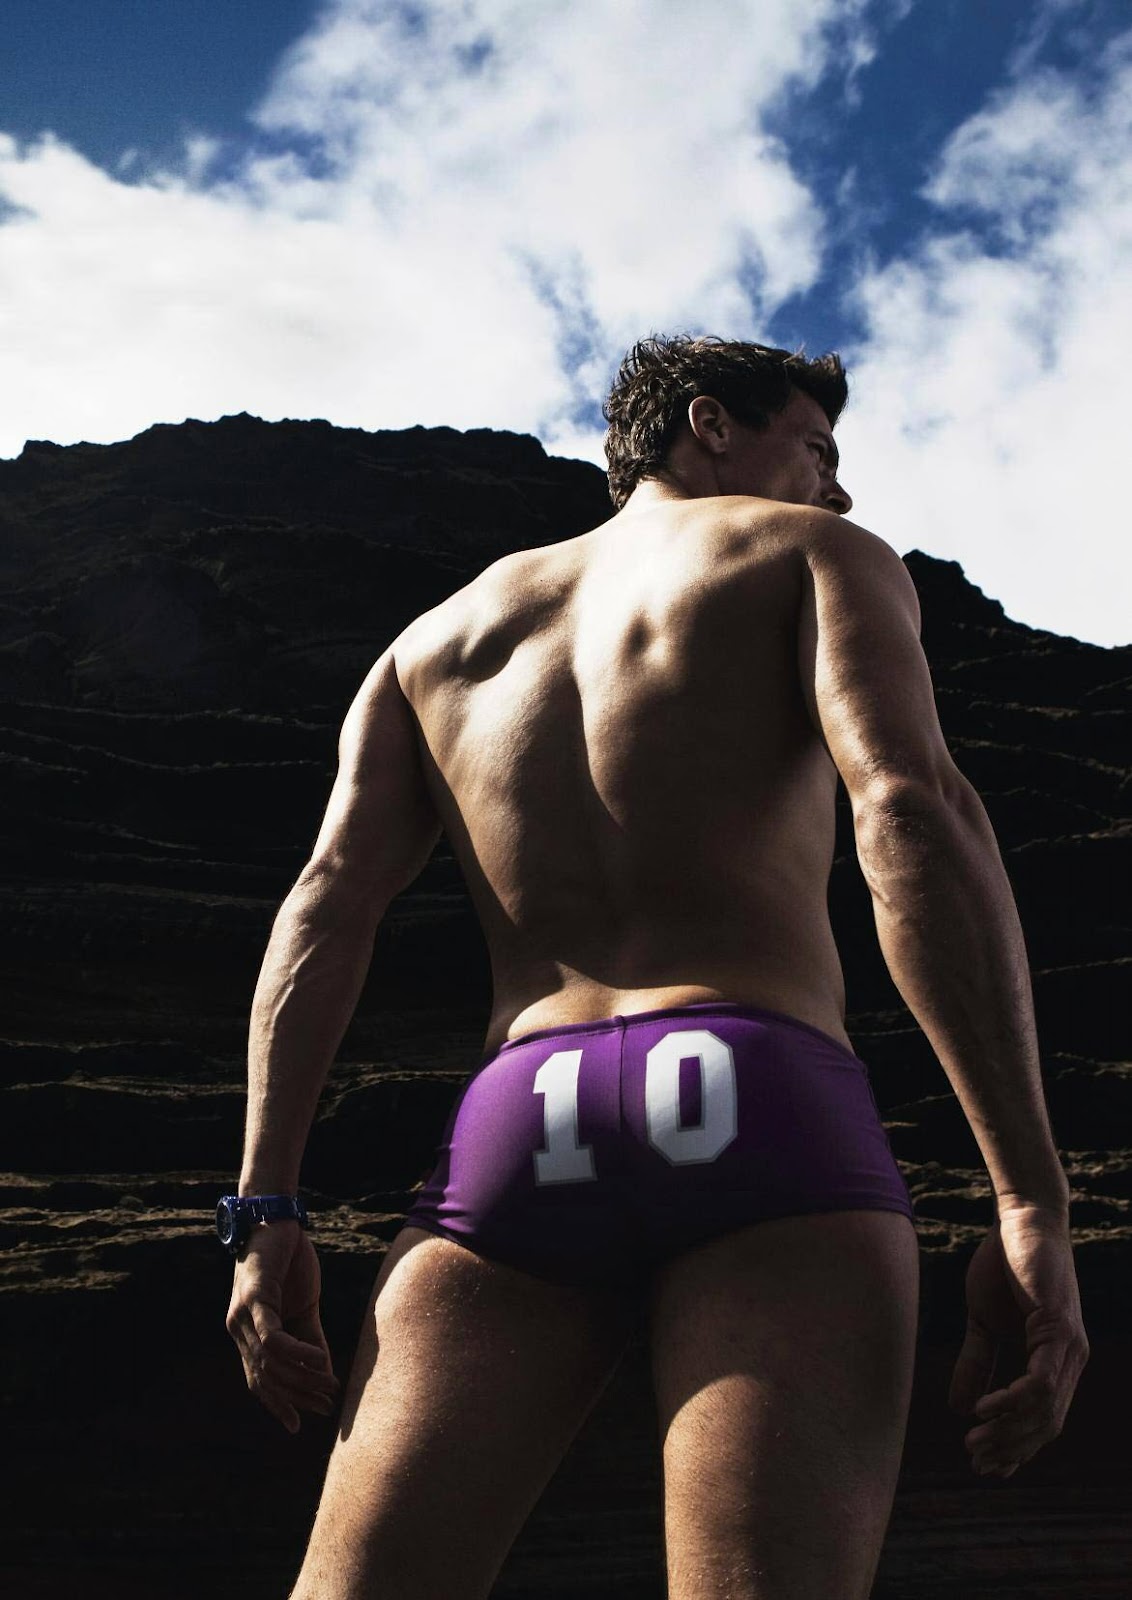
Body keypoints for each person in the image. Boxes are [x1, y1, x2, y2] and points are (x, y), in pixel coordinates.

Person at [225, 335, 1088, 1600]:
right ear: (709, 422)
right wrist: (1027, 1201)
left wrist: (263, 1210)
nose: (838, 486)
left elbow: (323, 908)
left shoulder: (432, 646)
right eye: (817, 447)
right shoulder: (811, 554)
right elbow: (910, 813)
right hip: (758, 1085)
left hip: (519, 1119)